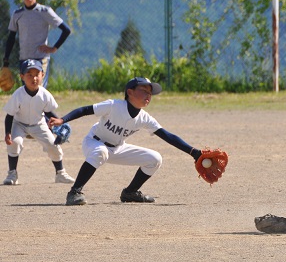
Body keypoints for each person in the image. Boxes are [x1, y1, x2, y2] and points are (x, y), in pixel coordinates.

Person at [48, 77, 204, 206]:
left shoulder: (144, 117)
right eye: (144, 90)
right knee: (101, 152)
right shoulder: (114, 105)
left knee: (155, 159)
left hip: (118, 148)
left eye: (150, 93)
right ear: (130, 92)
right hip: (94, 143)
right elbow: (85, 110)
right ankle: (74, 192)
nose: (148, 95)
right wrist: (62, 120)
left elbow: (167, 135)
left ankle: (130, 192)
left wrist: (194, 152)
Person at [3, 59, 74, 186]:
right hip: (19, 124)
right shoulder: (18, 94)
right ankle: (12, 173)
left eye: (37, 74)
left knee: (53, 145)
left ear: (42, 75)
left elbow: (48, 112)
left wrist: (60, 122)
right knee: (15, 142)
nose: (34, 78)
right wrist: (8, 132)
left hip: (38, 124)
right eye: (29, 74)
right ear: (22, 77)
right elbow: (9, 116)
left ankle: (60, 173)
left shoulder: (44, 94)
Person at [3, 0, 72, 88]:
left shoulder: (45, 11)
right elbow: (11, 38)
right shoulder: (17, 14)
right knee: (27, 92)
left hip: (40, 59)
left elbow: (66, 30)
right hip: (24, 59)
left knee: (38, 90)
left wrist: (54, 48)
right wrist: (6, 62)